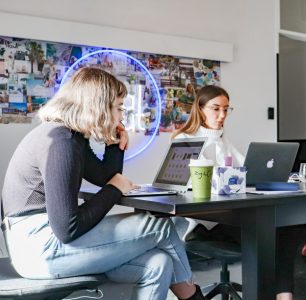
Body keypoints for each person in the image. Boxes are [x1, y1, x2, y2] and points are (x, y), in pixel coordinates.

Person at [0, 67, 205, 300]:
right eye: (118, 108)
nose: (121, 116)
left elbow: (104, 176)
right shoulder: (61, 142)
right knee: (161, 227)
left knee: (159, 263)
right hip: (39, 248)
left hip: (41, 244)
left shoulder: (71, 136)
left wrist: (114, 143)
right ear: (99, 106)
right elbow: (67, 228)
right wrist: (115, 189)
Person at [171, 85, 244, 242]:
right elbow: (199, 181)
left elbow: (245, 166)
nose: (222, 115)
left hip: (225, 212)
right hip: (199, 221)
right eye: (216, 109)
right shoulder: (183, 139)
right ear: (200, 109)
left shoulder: (222, 139)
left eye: (226, 109)